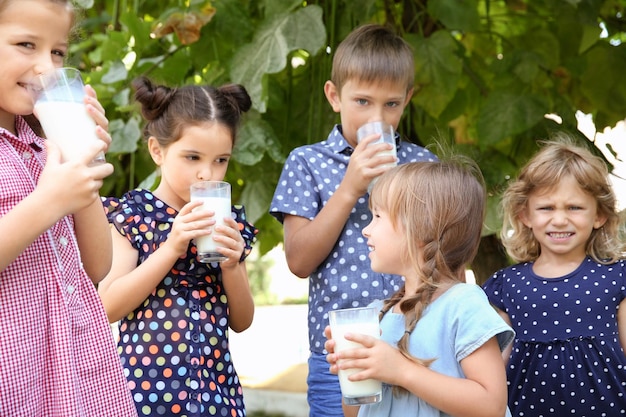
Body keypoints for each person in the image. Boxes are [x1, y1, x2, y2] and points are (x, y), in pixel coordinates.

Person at [269, 23, 437, 416]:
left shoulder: (422, 166)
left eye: (391, 104)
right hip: (339, 354)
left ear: (407, 99)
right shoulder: (307, 163)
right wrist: (349, 188)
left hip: (414, 350)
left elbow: (441, 260)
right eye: (362, 101)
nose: (376, 116)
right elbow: (298, 261)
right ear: (334, 96)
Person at [0, 0, 138, 416]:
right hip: (16, 373)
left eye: (58, 52)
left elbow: (96, 266)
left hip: (71, 370)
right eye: (26, 44)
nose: (47, 68)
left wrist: (82, 160)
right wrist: (48, 202)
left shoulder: (46, 148)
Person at [99, 76, 258, 417]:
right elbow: (108, 306)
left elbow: (242, 321)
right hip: (145, 395)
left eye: (221, 160)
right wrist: (171, 247)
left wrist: (231, 266)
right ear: (157, 150)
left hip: (215, 395)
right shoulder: (134, 216)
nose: (207, 173)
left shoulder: (227, 221)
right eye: (192, 157)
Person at [325, 160, 515, 417]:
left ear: (422, 227)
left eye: (378, 216)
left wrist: (401, 370)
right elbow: (355, 412)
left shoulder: (462, 304)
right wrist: (354, 373)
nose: (366, 230)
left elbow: (491, 406)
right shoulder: (377, 314)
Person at [482, 138, 626, 416]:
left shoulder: (617, 277)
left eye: (574, 208)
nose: (559, 219)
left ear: (599, 215)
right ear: (525, 215)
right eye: (546, 208)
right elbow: (493, 365)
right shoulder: (508, 284)